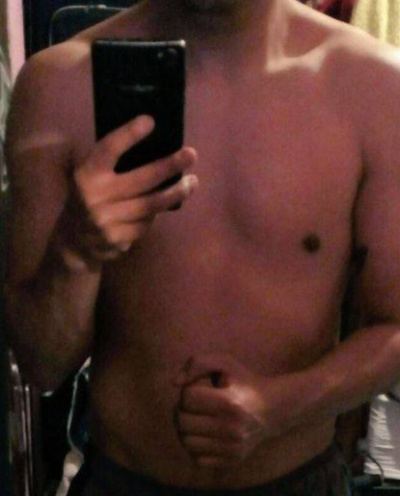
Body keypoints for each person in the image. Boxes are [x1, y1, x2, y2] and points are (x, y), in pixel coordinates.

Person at [4, 0, 400, 494]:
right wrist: (75, 249)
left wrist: (281, 406)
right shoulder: (57, 87)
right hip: (123, 479)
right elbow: (41, 363)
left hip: (300, 477)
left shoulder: (375, 87)